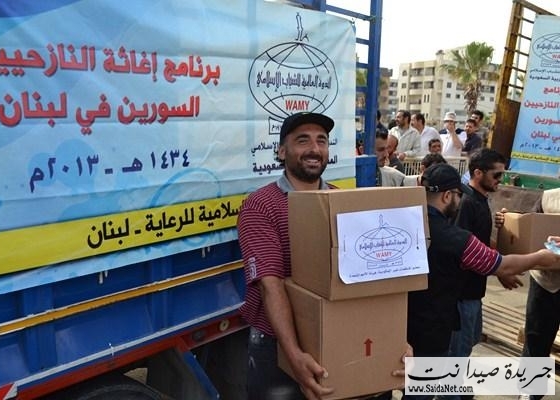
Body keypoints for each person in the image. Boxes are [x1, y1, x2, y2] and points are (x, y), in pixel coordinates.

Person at [238, 112, 409, 400]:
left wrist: (392, 341)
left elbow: (369, 279)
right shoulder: (261, 206)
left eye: (321, 141)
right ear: (282, 151)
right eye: (302, 140)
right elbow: (271, 285)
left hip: (339, 336)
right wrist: (294, 355)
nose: (314, 149)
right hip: (279, 345)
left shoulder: (341, 201)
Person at [405, 163, 559, 400]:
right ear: (447, 196)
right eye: (458, 195)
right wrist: (541, 257)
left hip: (401, 328)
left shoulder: (404, 226)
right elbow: (502, 265)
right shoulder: (457, 240)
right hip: (432, 330)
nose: (460, 201)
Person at [445, 149, 515, 400]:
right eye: (496, 175)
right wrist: (500, 270)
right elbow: (466, 253)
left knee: (466, 346)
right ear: (478, 173)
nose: (500, 181)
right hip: (462, 295)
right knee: (456, 355)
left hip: (473, 293)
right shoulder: (467, 203)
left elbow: (482, 243)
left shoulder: (481, 200)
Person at [520, 188, 560, 400]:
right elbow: (532, 231)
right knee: (536, 337)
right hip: (544, 281)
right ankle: (530, 392)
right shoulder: (548, 198)